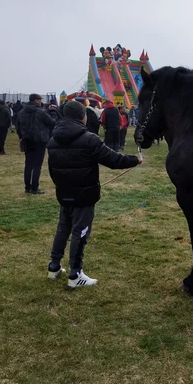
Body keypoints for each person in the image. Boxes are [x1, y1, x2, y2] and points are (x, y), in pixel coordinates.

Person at [46, 100, 141, 287]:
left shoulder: (53, 139)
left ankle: (54, 266)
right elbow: (113, 159)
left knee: (63, 228)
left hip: (65, 193)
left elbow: (52, 170)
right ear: (82, 117)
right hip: (83, 196)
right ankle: (75, 274)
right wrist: (134, 160)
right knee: (79, 231)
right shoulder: (89, 139)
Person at [16, 93, 56, 194]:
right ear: (36, 100)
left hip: (27, 140)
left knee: (28, 164)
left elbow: (18, 127)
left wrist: (22, 137)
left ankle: (27, 187)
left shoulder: (21, 112)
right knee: (37, 165)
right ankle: (34, 188)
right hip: (40, 140)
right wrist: (52, 112)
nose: (41, 101)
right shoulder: (40, 112)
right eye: (40, 100)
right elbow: (51, 122)